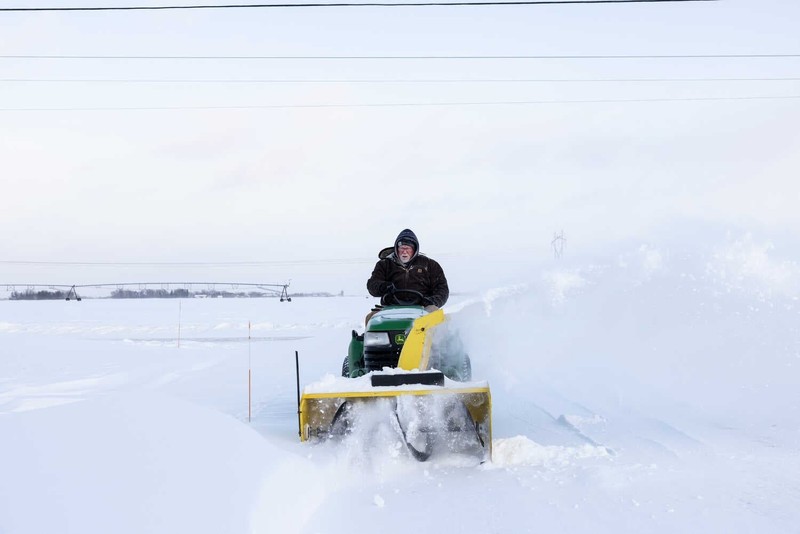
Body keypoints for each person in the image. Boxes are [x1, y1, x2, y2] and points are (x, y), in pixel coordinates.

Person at [366, 229, 449, 317]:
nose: (404, 251)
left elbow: (442, 289)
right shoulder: (384, 264)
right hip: (390, 306)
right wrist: (383, 286)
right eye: (402, 248)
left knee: (438, 317)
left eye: (408, 248)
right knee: (370, 318)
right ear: (396, 249)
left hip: (423, 307)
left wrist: (432, 301)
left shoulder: (430, 265)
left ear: (415, 249)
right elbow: (372, 285)